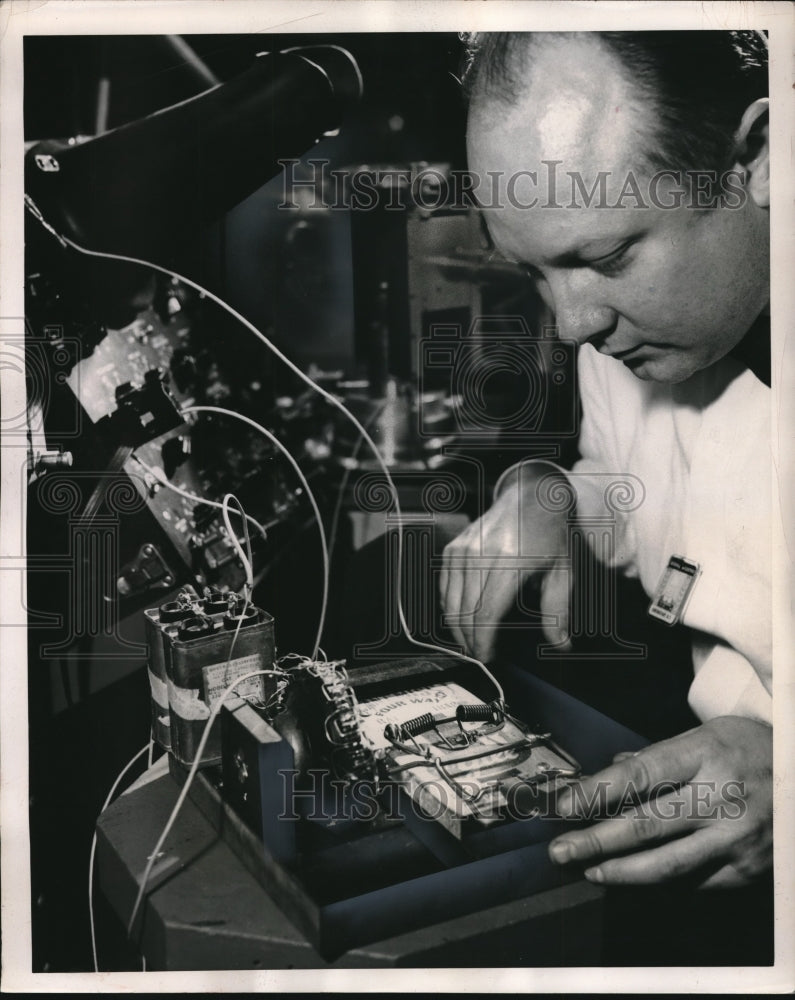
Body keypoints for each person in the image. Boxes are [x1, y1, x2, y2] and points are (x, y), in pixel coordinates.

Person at [440, 31, 776, 889]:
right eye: (535, 273)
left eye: (607, 258)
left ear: (763, 159)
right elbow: (650, 497)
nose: (570, 326)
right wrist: (551, 494)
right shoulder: (626, 342)